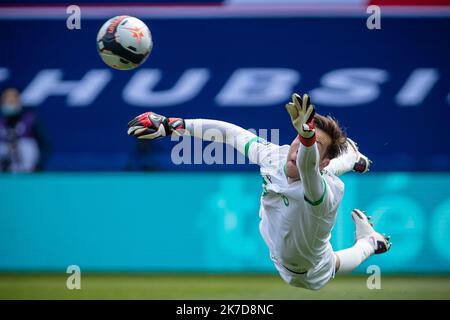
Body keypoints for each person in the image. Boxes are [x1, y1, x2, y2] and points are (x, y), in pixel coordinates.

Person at [126, 93, 391, 290]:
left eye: (313, 144)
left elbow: (309, 167)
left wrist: (309, 137)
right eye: (297, 137)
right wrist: (172, 124)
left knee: (331, 263)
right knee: (317, 170)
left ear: (319, 157)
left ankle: (370, 242)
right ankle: (352, 157)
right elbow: (233, 134)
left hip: (308, 268)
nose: (299, 146)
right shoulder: (274, 156)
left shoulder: (322, 191)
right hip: (282, 245)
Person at [0, 87, 48, 172]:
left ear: (19, 100)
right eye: (7, 99)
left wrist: (38, 167)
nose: (10, 101)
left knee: (25, 144)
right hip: (3, 173)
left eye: (13, 98)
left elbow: (45, 146)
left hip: (27, 172)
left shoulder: (31, 120)